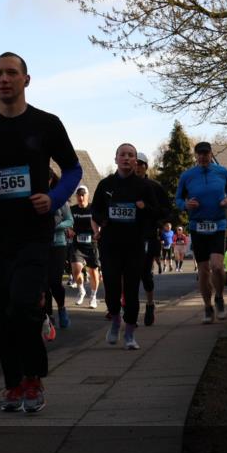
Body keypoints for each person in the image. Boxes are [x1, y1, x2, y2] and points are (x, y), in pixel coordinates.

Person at [0, 52, 82, 413]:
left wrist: (54, 197)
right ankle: (13, 384)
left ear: (26, 80)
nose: (4, 79)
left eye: (11, 73)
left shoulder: (46, 124)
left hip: (33, 233)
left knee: (23, 304)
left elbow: (72, 170)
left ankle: (34, 377)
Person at [91, 143, 157, 350]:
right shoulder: (105, 184)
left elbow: (158, 212)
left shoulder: (144, 187)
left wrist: (144, 207)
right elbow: (96, 210)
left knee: (130, 289)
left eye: (130, 155)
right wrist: (102, 221)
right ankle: (115, 320)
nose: (126, 158)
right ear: (116, 159)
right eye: (122, 155)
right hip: (110, 243)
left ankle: (129, 332)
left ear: (136, 161)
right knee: (111, 287)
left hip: (134, 244)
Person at [176, 141, 227, 323]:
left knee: (217, 266)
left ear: (211, 154)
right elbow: (178, 198)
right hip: (197, 226)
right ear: (195, 155)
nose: (202, 157)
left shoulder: (222, 172)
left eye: (206, 153)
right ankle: (207, 307)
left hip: (217, 224)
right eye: (199, 154)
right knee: (203, 271)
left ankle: (219, 298)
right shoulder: (187, 176)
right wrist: (184, 205)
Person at [135, 152, 173, 326]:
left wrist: (148, 209)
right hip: (128, 236)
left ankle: (150, 304)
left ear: (146, 166)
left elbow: (166, 210)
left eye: (141, 163)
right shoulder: (124, 186)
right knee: (129, 274)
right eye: (135, 163)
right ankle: (130, 309)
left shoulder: (154, 187)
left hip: (148, 235)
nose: (137, 166)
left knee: (145, 274)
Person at [44, 186, 74, 338]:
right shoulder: (35, 197)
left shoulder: (60, 199)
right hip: (41, 245)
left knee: (54, 281)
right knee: (44, 283)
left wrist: (55, 226)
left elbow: (69, 220)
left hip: (58, 244)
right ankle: (49, 317)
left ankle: (61, 308)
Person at [70, 185, 100, 308]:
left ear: (87, 196)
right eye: (79, 195)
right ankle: (81, 290)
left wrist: (98, 232)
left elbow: (101, 220)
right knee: (76, 270)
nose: (81, 197)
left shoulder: (93, 208)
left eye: (83, 195)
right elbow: (67, 221)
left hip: (91, 244)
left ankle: (93, 296)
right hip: (77, 244)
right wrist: (69, 229)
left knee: (93, 272)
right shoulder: (72, 209)